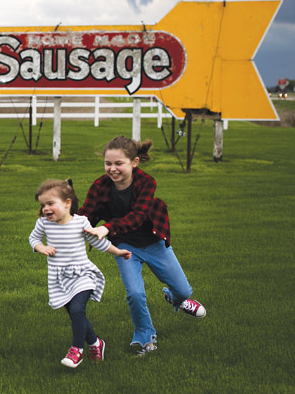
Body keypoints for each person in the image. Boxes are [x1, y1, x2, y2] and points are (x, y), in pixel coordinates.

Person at [79, 135, 206, 357]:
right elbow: (86, 214)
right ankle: (146, 337)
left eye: (119, 163)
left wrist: (106, 228)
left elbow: (137, 217)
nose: (112, 169)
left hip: (153, 242)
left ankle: (174, 298)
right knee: (135, 294)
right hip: (125, 247)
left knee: (183, 291)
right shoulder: (100, 185)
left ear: (134, 162)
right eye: (108, 163)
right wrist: (64, 222)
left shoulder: (147, 182)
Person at [28, 178, 132, 368]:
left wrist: (118, 252)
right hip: (59, 278)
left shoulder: (81, 222)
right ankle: (95, 342)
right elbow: (33, 238)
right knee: (76, 315)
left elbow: (98, 242)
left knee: (77, 310)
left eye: (50, 204)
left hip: (82, 275)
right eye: (43, 205)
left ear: (67, 203)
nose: (45, 209)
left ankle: (76, 350)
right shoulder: (44, 224)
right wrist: (40, 247)